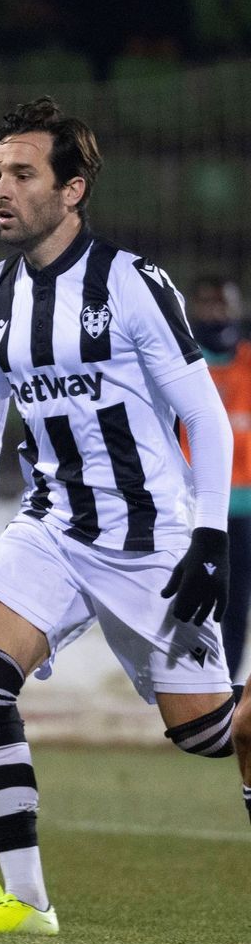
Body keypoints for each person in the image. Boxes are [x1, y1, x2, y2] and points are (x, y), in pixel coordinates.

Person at [0, 99, 251, 944]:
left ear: (71, 189)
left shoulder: (133, 284)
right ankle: (26, 903)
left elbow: (204, 417)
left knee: (212, 735)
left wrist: (210, 539)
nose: (1, 189)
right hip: (54, 529)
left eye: (22, 173)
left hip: (151, 544)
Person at [188, 277, 251, 680]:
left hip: (244, 506)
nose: (216, 313)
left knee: (236, 601)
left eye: (223, 304)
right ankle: (192, 688)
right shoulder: (182, 363)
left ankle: (226, 687)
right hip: (191, 504)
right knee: (192, 595)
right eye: (208, 304)